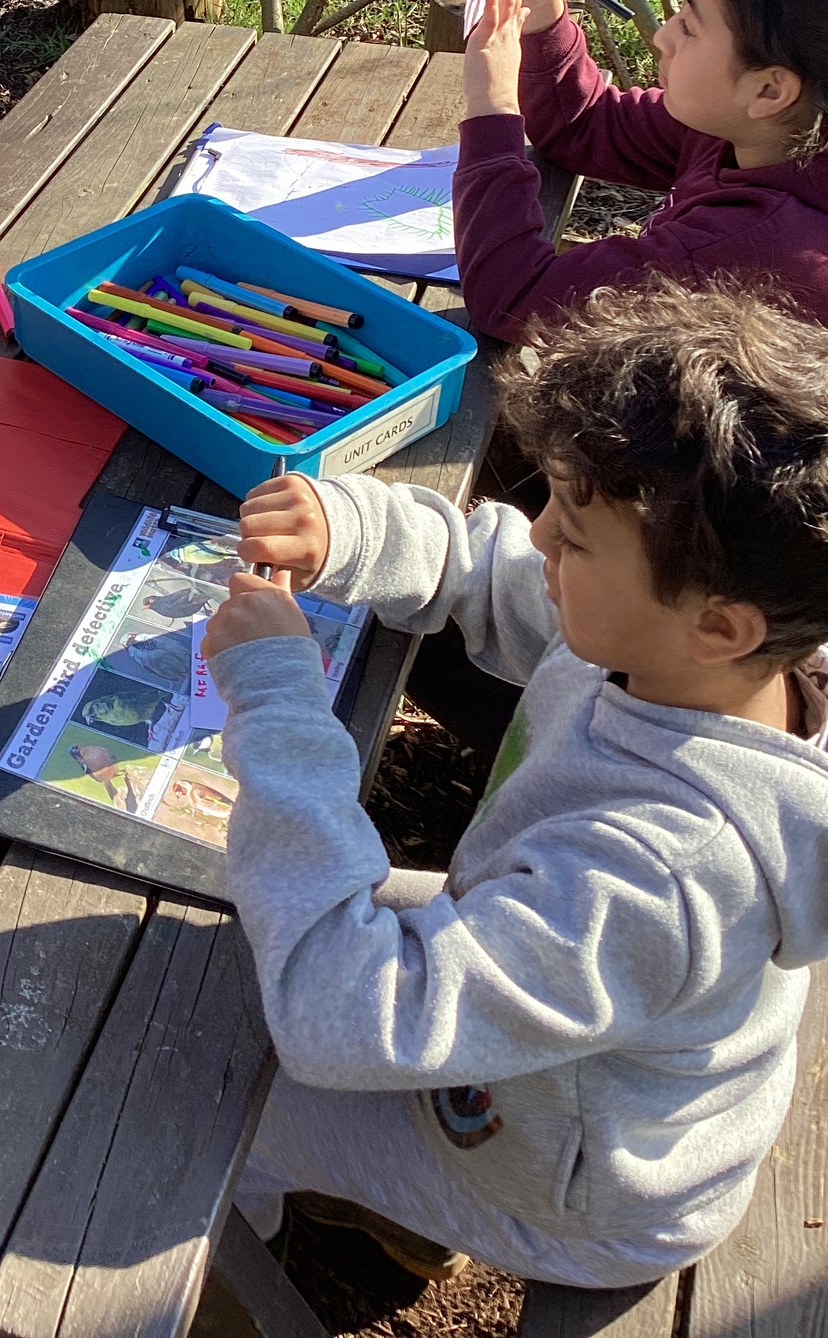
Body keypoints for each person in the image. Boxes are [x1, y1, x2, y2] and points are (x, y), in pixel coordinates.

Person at [202, 279, 828, 1288]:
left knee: (205, 1094)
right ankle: (386, 1196)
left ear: (718, 624)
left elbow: (337, 1012)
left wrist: (279, 701)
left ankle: (266, 1242)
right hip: (573, 1068)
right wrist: (354, 530)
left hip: (579, 1193)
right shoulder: (700, 653)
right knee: (247, 922)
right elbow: (498, 568)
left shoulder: (659, 876)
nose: (537, 536)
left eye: (572, 535)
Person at [454, 0, 828, 343]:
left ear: (769, 90)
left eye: (689, 27)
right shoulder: (749, 131)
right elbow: (586, 127)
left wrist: (493, 105)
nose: (663, 36)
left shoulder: (749, 250)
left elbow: (515, 299)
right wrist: (544, 18)